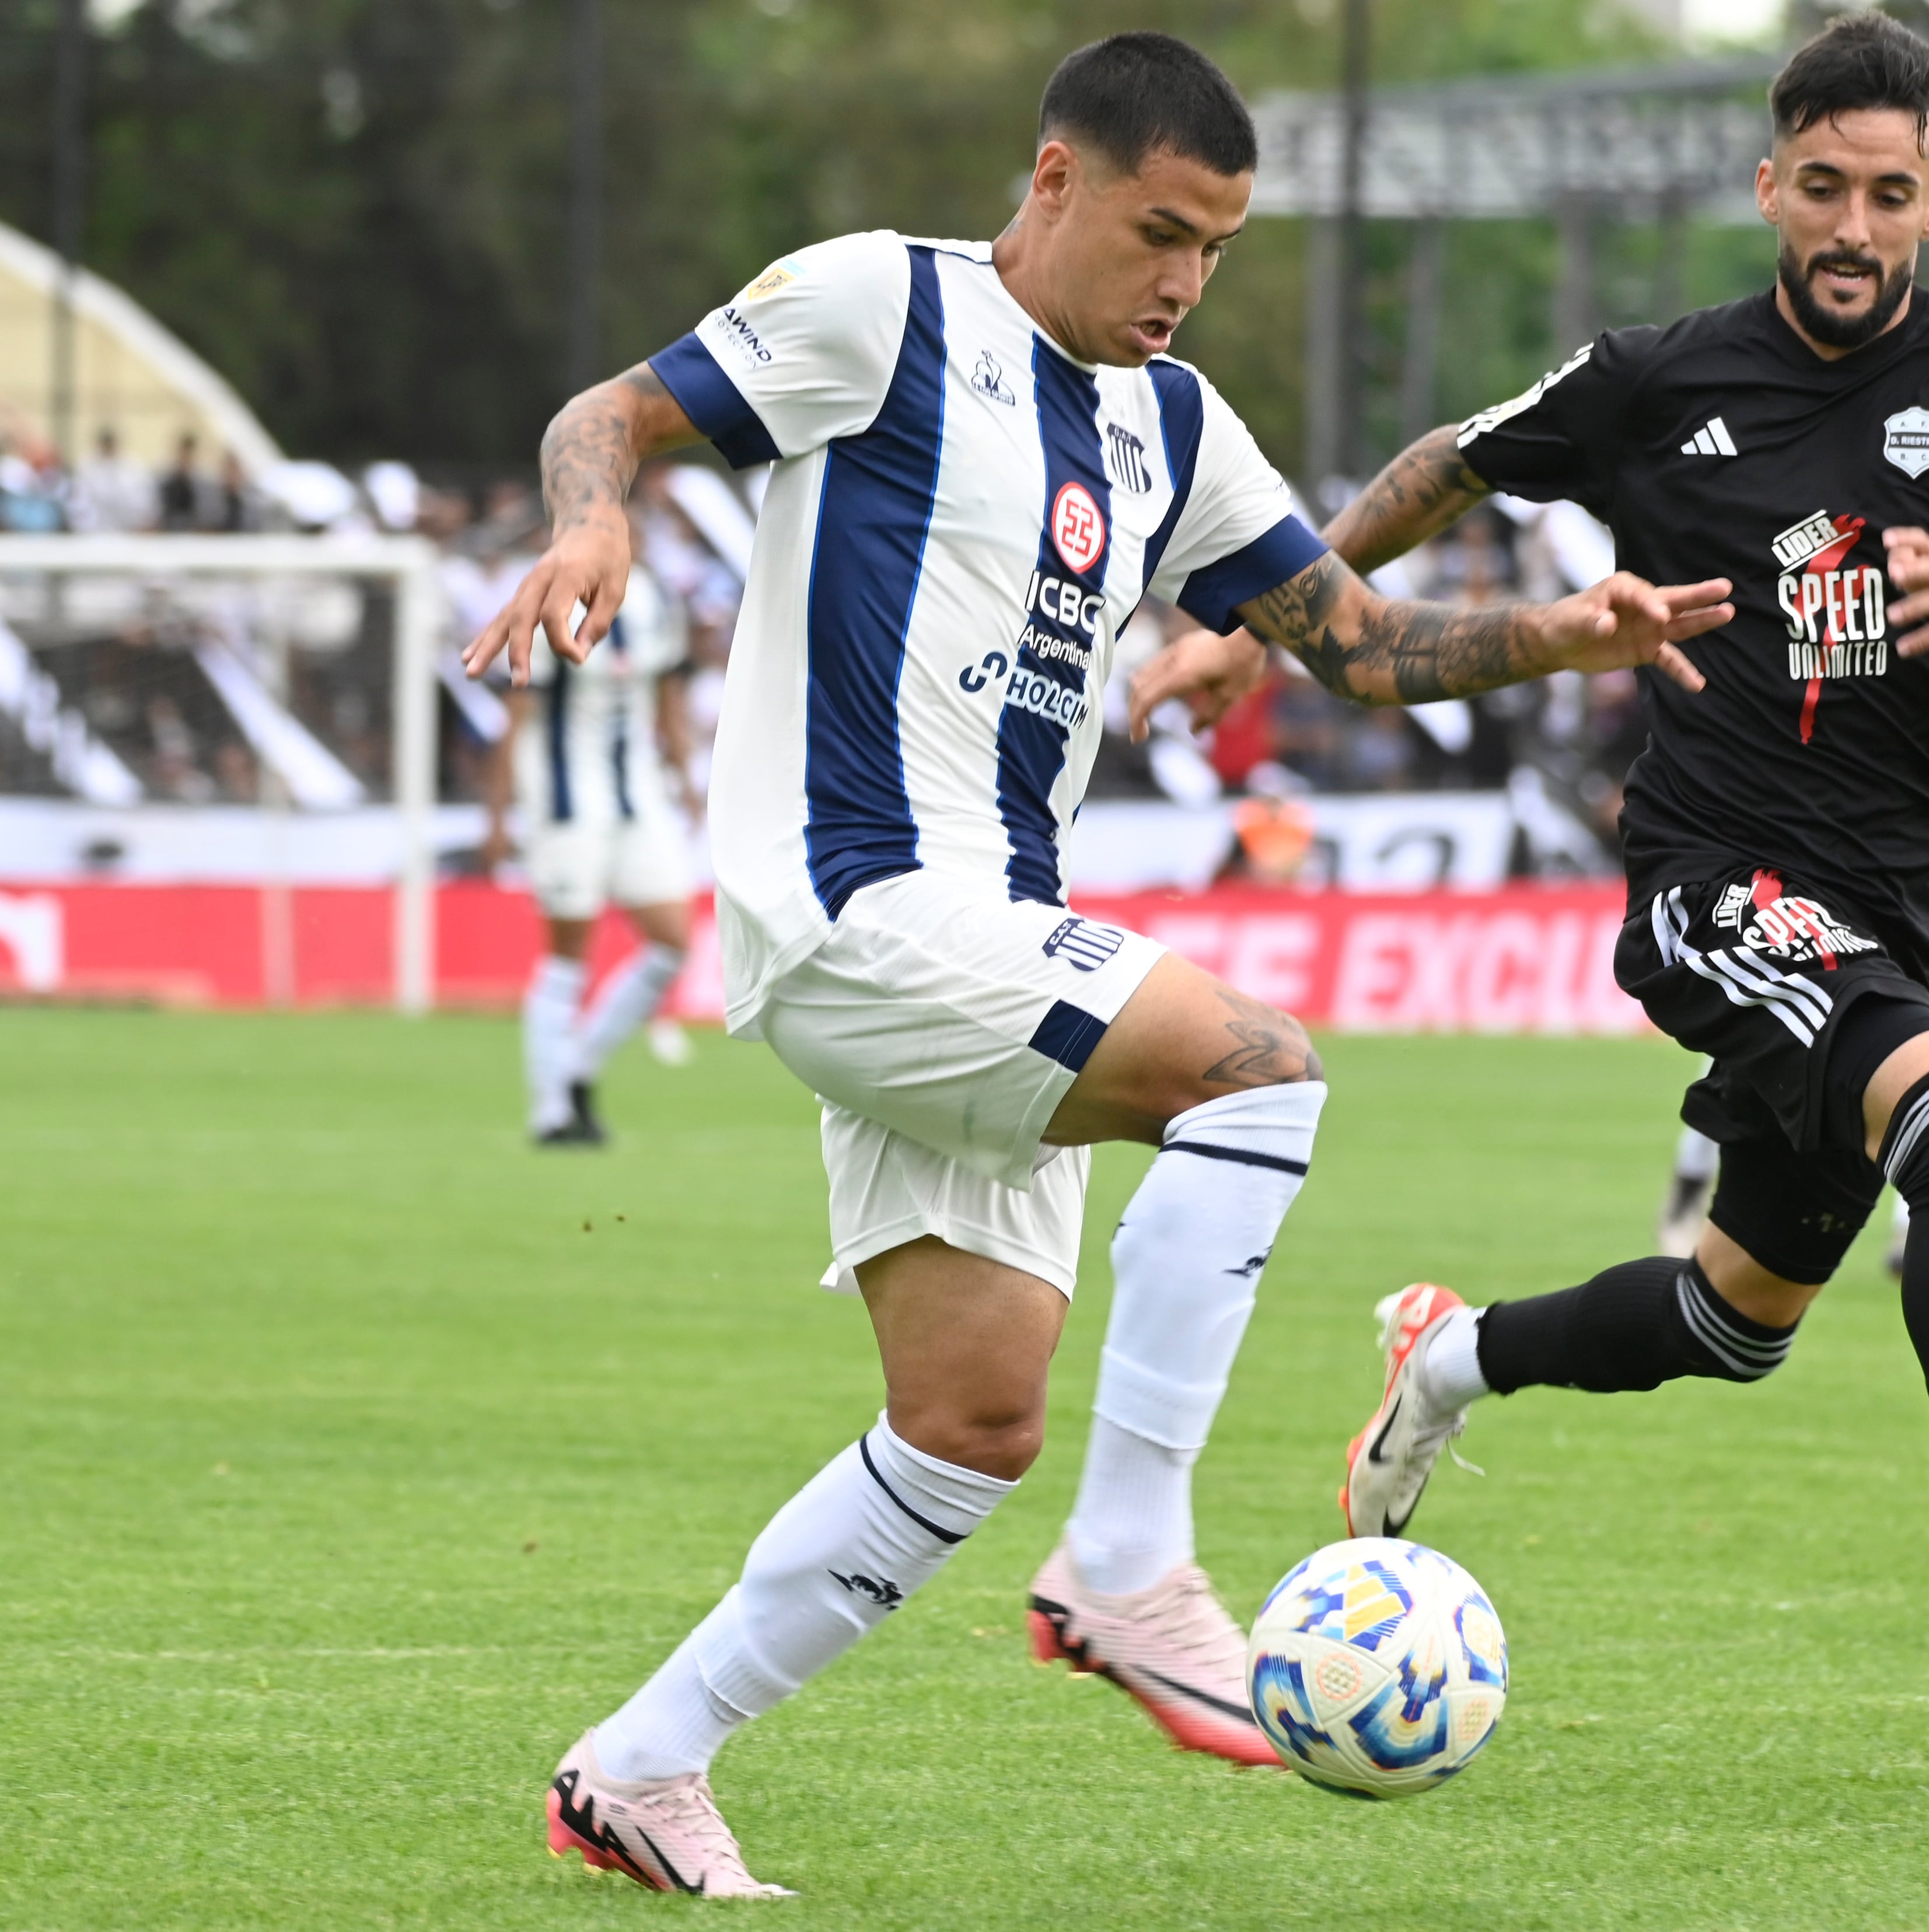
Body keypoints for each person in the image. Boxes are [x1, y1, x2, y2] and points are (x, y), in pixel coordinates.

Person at [463, 33, 1729, 1897]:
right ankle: (1128, 1559)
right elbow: (612, 413)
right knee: (1258, 1064)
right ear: (1052, 181)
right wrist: (595, 511)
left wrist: (1558, 632)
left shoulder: (1175, 424)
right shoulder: (876, 307)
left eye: (1213, 247)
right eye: (1160, 233)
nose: (1183, 281)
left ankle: (642, 1768)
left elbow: (1356, 644)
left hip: (982, 938)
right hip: (861, 907)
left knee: (967, 1425)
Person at [1143, 12, 1929, 1718]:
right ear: (1767, 183)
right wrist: (1270, 629)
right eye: (1821, 187)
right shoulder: (1659, 378)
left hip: (1901, 902)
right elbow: (1442, 471)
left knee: (1734, 1321)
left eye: (1888, 195)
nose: (1850, 226)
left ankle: (1444, 1362)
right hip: (1715, 877)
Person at [481, 562, 698, 1144]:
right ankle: (550, 1111)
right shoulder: (554, 596)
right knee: (567, 953)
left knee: (673, 941)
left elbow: (667, 696)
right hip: (566, 799)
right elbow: (517, 716)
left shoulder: (655, 596)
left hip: (639, 794)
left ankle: (577, 1068)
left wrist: (687, 784)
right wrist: (498, 815)